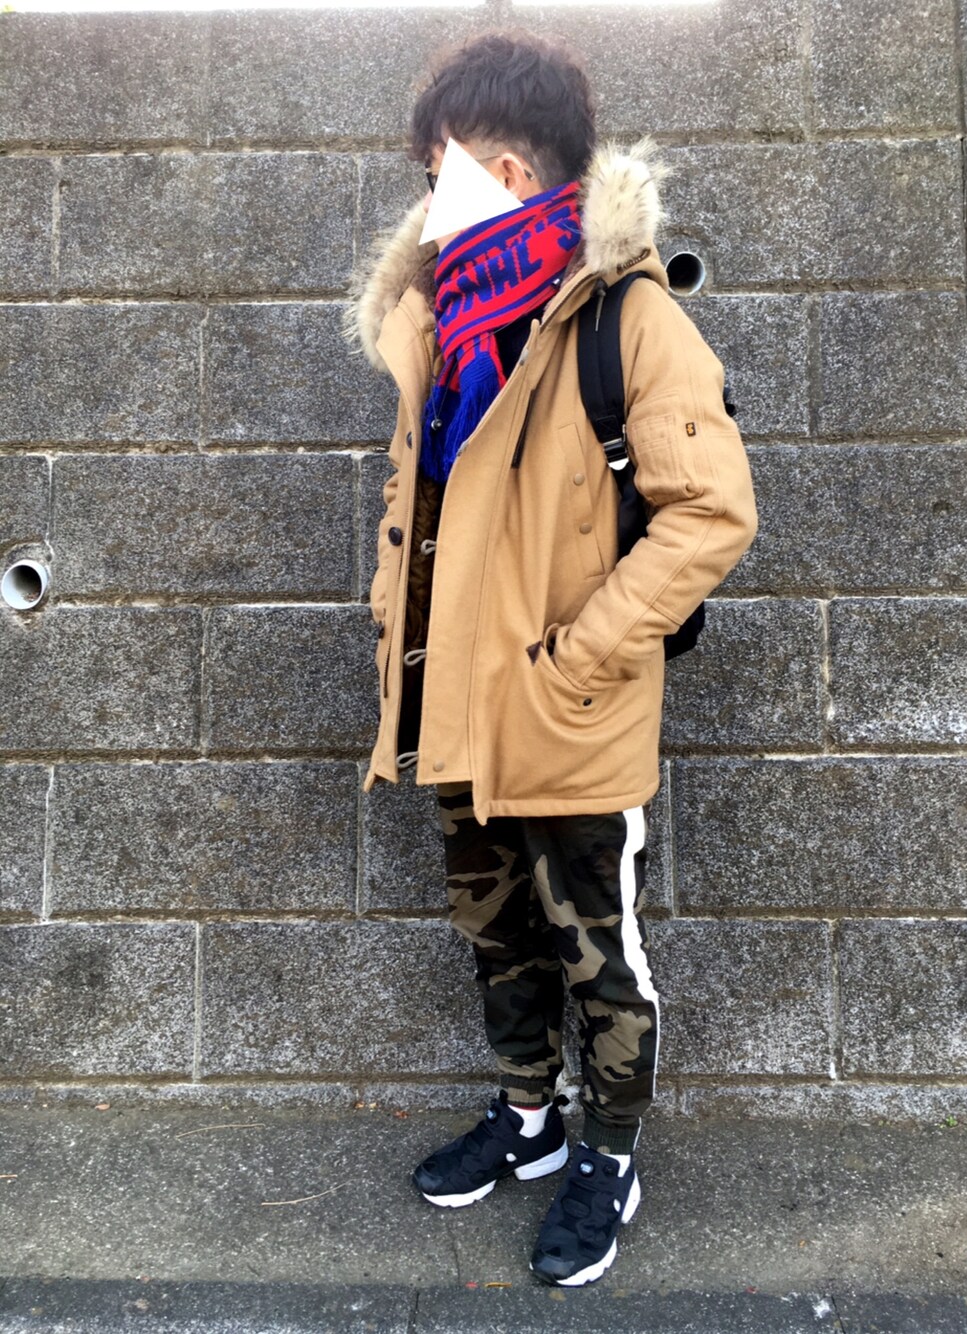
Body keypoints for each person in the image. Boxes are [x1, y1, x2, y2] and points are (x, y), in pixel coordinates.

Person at [343, 29, 758, 1287]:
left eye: (441, 173)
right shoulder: (451, 323)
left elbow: (710, 512)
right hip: (456, 709)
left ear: (509, 171)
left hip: (568, 713)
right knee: (495, 932)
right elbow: (430, 509)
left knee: (596, 954)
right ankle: (527, 1116)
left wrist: (574, 661)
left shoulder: (626, 318)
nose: (428, 200)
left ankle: (608, 1151)